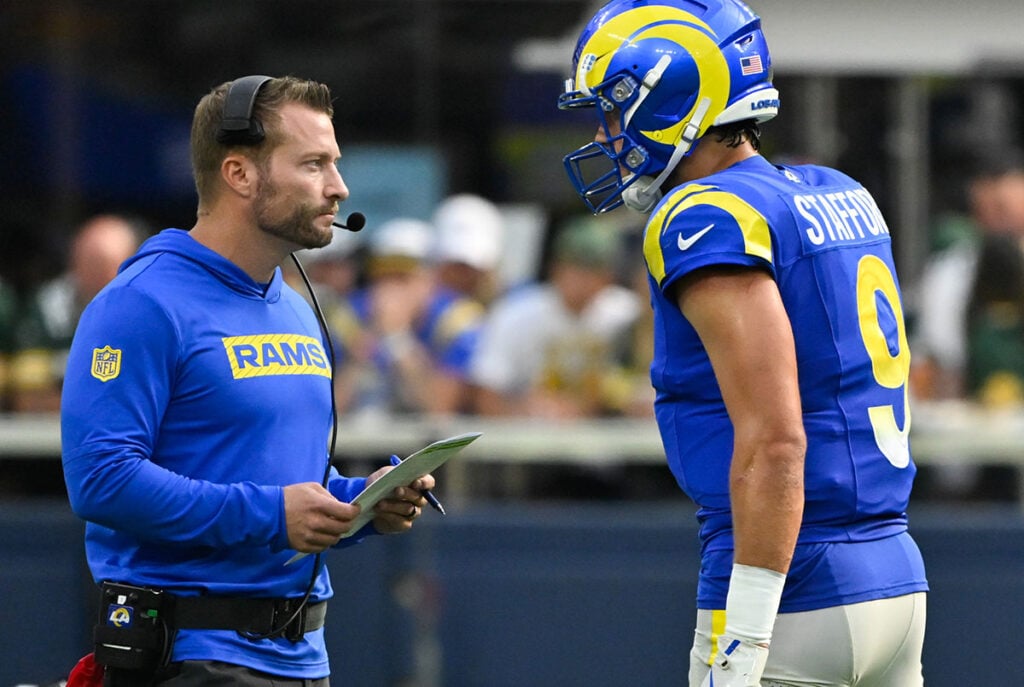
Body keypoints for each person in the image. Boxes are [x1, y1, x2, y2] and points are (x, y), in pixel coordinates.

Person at [559, 2, 927, 685]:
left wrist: (744, 636)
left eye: (614, 109)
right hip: (896, 573)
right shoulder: (837, 191)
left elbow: (776, 438)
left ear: (674, 95)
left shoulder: (706, 214)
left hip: (794, 586)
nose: (607, 133)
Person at [60, 75, 436, 687]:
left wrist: (358, 502)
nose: (338, 187)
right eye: (314, 164)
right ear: (239, 173)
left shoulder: (293, 303)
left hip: (303, 656)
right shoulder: (139, 302)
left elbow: (278, 490)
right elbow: (101, 480)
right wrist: (270, 514)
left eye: (333, 164)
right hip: (190, 659)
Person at [470, 215, 641, 419]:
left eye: (593, 269)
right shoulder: (516, 313)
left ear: (608, 276)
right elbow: (485, 393)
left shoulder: (626, 313)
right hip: (527, 439)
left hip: (605, 440)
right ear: (556, 268)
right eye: (575, 266)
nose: (581, 279)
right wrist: (523, 410)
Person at [328, 217, 486, 418]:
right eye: (384, 277)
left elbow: (439, 411)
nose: (391, 289)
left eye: (403, 278)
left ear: (429, 279)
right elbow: (328, 414)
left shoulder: (459, 321)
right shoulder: (349, 316)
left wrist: (397, 338)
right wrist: (359, 354)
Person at [10, 213, 144, 412]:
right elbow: (25, 396)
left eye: (104, 264)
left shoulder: (149, 312)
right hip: (47, 429)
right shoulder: (46, 307)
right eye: (89, 262)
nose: (95, 275)